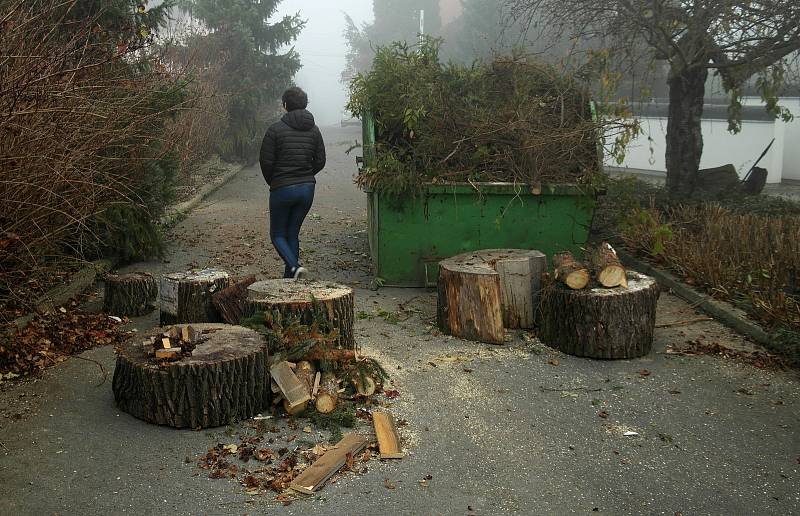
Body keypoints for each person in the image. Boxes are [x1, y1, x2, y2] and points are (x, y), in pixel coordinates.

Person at [259, 87, 326, 279]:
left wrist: (275, 180)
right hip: (307, 190)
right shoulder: (314, 130)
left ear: (285, 105)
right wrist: (305, 175)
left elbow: (266, 162)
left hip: (282, 189)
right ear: (305, 104)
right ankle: (290, 281)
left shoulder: (275, 130)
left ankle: (295, 268)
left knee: (277, 235)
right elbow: (320, 160)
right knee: (292, 234)